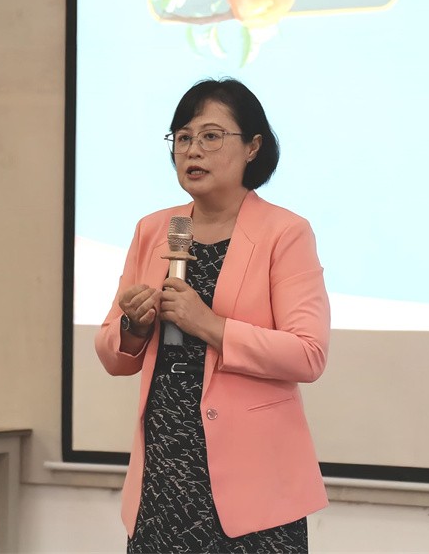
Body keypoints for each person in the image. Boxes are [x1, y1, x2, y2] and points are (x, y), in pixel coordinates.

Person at [95, 77, 330, 553]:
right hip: (163, 477)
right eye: (182, 138)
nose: (192, 150)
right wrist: (133, 327)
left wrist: (210, 325)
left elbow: (308, 354)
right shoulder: (155, 229)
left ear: (253, 147)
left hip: (255, 487)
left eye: (211, 136)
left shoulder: (285, 232)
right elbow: (112, 354)